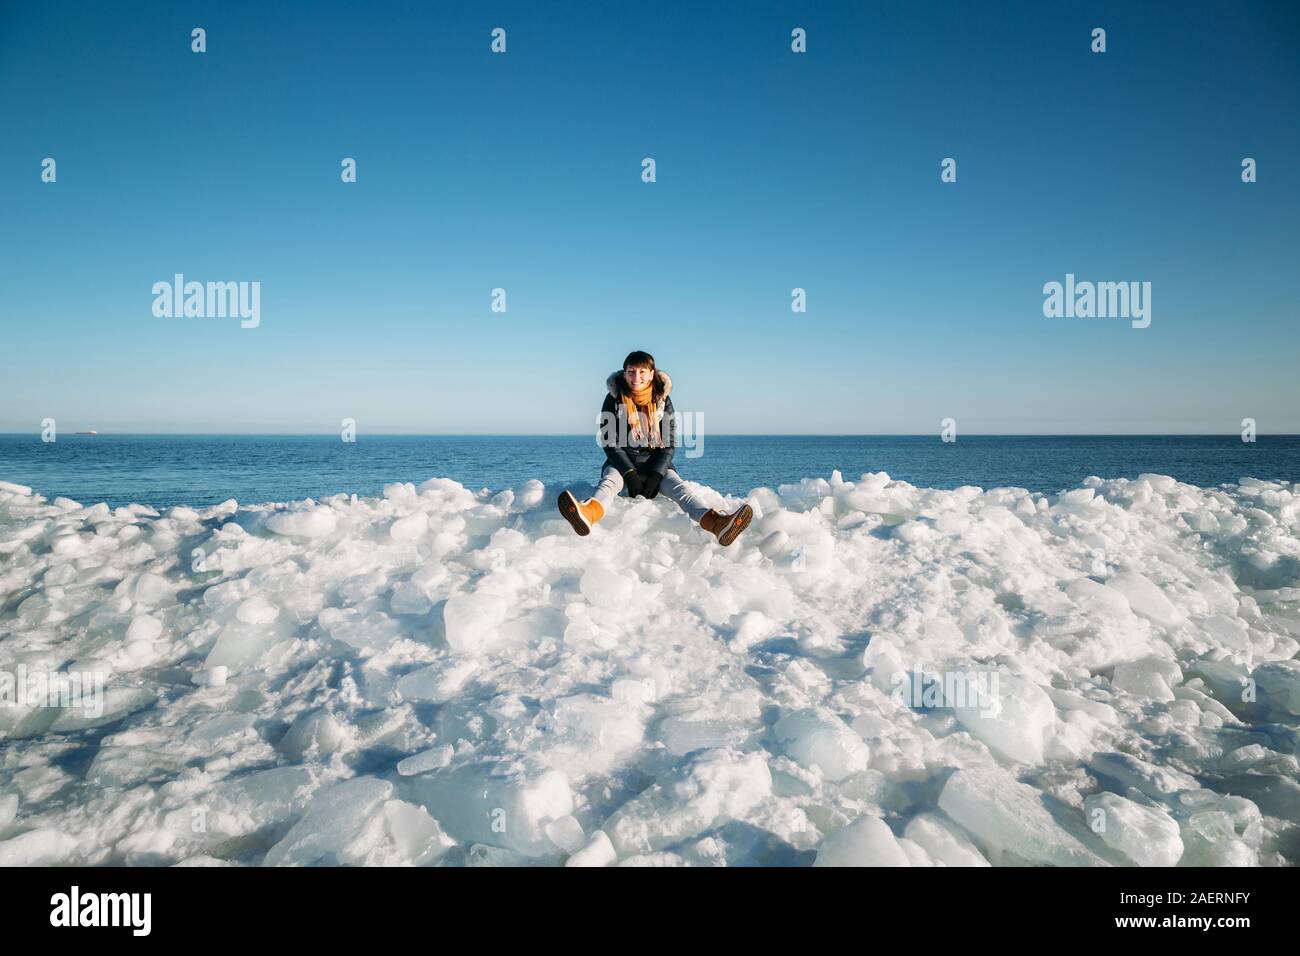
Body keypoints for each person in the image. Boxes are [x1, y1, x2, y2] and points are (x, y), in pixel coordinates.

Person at [557, 350, 753, 546]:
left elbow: (668, 443)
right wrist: (629, 473)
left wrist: (657, 474)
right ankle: (588, 514)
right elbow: (610, 441)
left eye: (642, 372)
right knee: (608, 483)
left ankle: (717, 524)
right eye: (631, 371)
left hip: (655, 464)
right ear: (624, 374)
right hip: (621, 463)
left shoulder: (662, 400)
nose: (636, 377)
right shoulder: (613, 399)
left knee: (680, 490)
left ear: (652, 374)